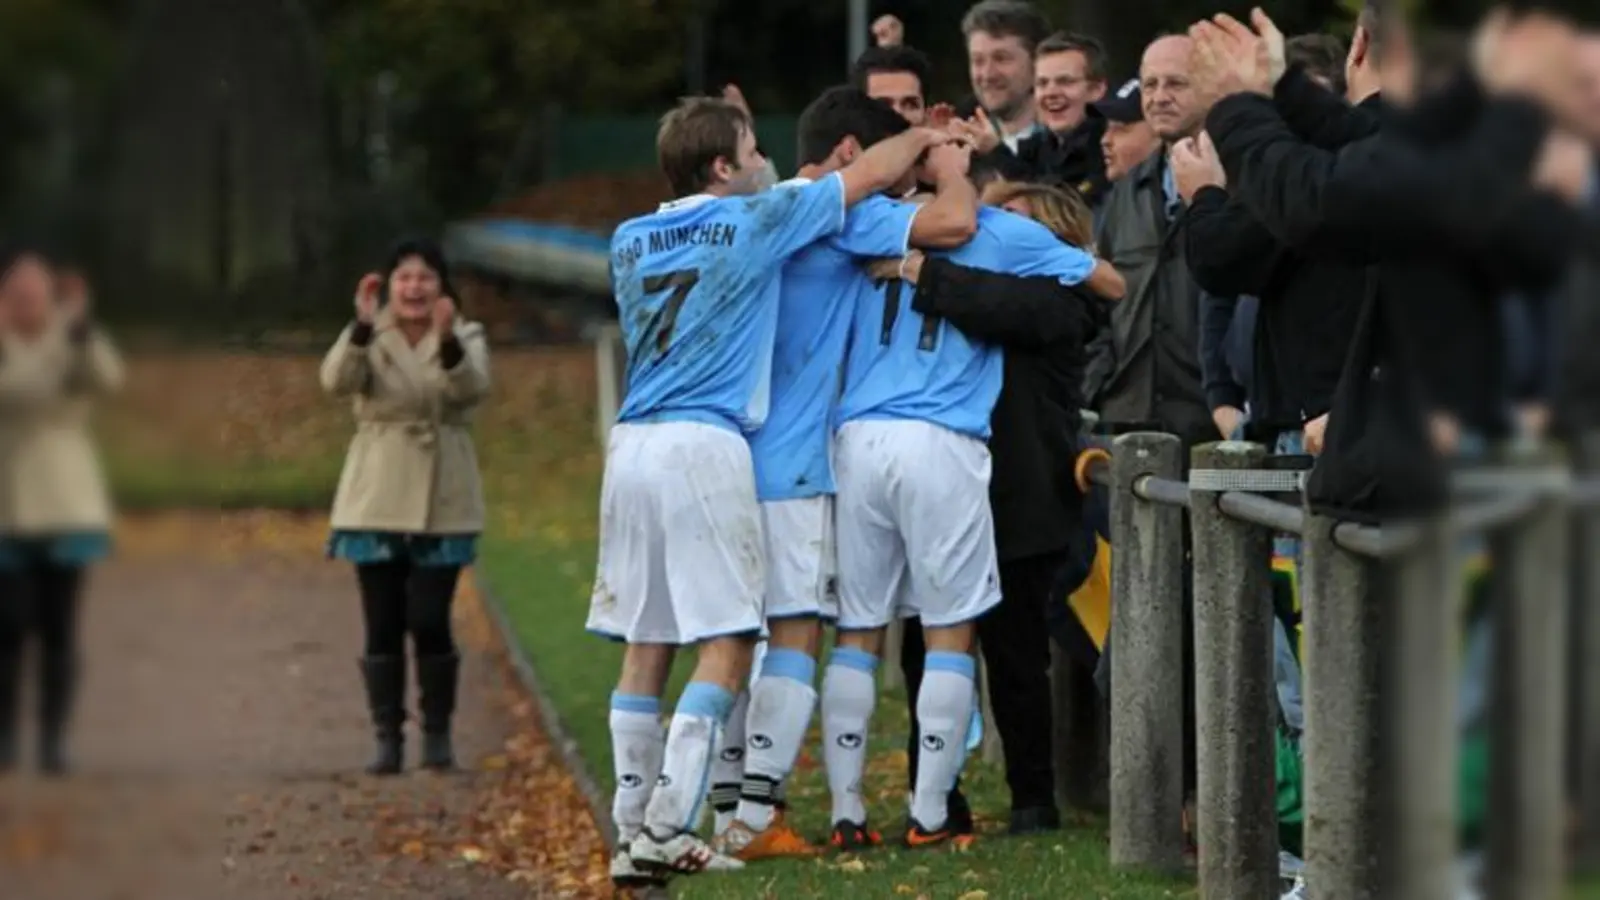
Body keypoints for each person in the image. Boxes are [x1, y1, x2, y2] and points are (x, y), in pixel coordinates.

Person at [586, 96, 946, 884]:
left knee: (647, 643)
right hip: (702, 442)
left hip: (631, 441)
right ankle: (670, 823)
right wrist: (924, 136)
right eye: (752, 150)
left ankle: (626, 826)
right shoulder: (757, 221)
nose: (763, 163)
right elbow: (864, 176)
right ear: (723, 167)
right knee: (727, 638)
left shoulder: (628, 237)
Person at [706, 86, 980, 862]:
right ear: (855, 157)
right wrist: (951, 164)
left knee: (734, 632)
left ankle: (728, 801)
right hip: (791, 462)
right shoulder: (841, 214)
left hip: (724, 452)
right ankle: (757, 819)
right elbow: (955, 223)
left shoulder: (750, 211)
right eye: (896, 168)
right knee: (794, 627)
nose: (902, 184)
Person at [824, 157, 1120, 851]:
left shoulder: (1057, 302)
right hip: (948, 477)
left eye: (1016, 228)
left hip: (1020, 497)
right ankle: (937, 798)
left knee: (1018, 656)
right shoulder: (964, 282)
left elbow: (1004, 305)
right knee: (922, 648)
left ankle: (1032, 799)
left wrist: (919, 270)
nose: (991, 236)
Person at [320, 239, 491, 777]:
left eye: (425, 278)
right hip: (377, 491)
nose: (414, 288)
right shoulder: (369, 334)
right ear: (388, 287)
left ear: (442, 288)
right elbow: (335, 382)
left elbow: (472, 391)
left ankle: (437, 734)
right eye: (404, 278)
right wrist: (361, 328)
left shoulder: (466, 336)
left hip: (444, 490)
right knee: (383, 620)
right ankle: (387, 738)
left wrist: (445, 341)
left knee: (430, 617)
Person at [0, 249, 122, 776]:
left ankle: (53, 741)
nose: (28, 299)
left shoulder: (74, 338)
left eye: (37, 289)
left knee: (59, 628)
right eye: (17, 289)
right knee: (8, 627)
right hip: (7, 502)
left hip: (65, 500)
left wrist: (81, 329)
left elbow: (108, 380)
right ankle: (6, 739)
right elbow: (20, 392)